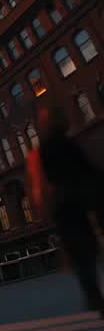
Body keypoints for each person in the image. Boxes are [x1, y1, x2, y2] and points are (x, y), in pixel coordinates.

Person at [29, 106, 104, 317]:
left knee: (83, 250)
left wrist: (43, 209)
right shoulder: (62, 145)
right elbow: (87, 169)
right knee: (84, 248)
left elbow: (40, 185)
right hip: (74, 202)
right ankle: (92, 293)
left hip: (68, 205)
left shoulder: (51, 148)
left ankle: (93, 293)